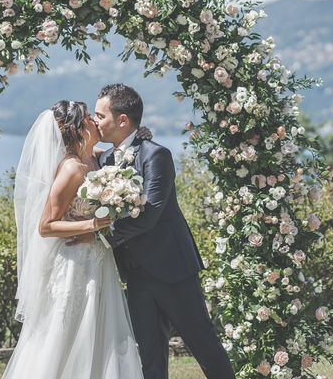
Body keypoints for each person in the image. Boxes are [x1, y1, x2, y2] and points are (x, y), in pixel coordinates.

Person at [69, 84, 235, 379]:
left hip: (172, 268)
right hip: (134, 272)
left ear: (122, 121)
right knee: (148, 356)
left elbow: (149, 216)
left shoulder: (156, 155)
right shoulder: (104, 160)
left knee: (203, 345)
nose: (95, 122)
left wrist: (96, 235)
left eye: (100, 115)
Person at [2, 100, 144, 379]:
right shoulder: (71, 169)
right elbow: (45, 226)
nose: (96, 121)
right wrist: (92, 224)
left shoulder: (96, 158)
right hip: (74, 265)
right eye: (90, 117)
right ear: (79, 129)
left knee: (102, 333)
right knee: (67, 334)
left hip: (98, 260)